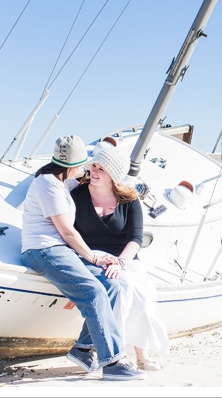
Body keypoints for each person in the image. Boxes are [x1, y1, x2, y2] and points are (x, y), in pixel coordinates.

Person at [20, 135, 146, 381]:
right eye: (86, 165)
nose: (87, 170)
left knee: (110, 285)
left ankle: (82, 350)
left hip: (60, 250)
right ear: (72, 165)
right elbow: (67, 232)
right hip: (42, 250)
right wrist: (95, 258)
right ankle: (112, 362)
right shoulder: (49, 184)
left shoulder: (64, 181)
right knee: (94, 292)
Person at [72, 145, 170, 371]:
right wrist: (97, 259)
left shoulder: (130, 200)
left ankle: (142, 355)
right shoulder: (78, 195)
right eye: (93, 166)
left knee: (145, 297)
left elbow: (136, 238)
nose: (94, 172)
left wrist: (121, 262)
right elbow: (71, 231)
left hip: (126, 258)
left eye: (101, 169)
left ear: (114, 175)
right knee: (121, 290)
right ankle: (113, 353)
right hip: (92, 255)